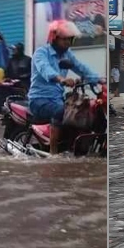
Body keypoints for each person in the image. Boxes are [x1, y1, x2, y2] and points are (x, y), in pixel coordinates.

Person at [29, 20, 104, 155]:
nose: (68, 43)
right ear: (54, 38)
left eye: (70, 40)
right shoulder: (41, 53)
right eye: (65, 40)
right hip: (39, 99)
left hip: (57, 98)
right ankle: (53, 152)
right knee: (60, 111)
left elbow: (80, 67)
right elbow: (45, 69)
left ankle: (73, 146)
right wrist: (61, 79)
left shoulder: (66, 54)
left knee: (84, 111)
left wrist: (99, 79)